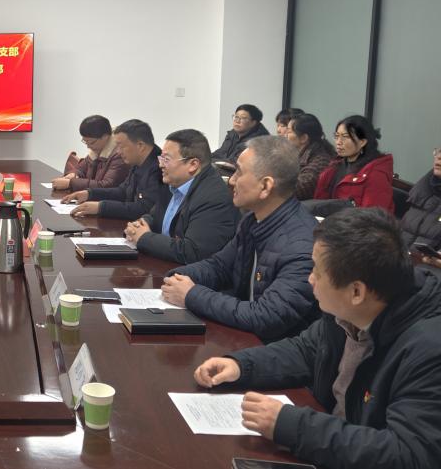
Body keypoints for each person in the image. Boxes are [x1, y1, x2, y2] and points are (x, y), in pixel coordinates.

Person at [193, 208, 441, 469]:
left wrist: (292, 426)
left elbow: (409, 454)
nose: (310, 278)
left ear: (356, 292)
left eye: (318, 272)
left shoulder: (429, 349)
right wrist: (242, 365)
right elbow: (307, 350)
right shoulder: (349, 310)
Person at [161, 136, 318, 342]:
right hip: (243, 336)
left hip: (275, 348)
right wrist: (178, 277)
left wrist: (192, 295)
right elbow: (220, 266)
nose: (232, 180)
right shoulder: (252, 220)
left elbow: (267, 316)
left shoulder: (301, 245)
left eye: (239, 172)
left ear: (265, 186)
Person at [124, 129, 239, 264]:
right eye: (161, 158)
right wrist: (140, 225)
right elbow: (155, 216)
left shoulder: (213, 198)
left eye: (166, 159)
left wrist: (144, 238)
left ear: (193, 165)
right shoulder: (173, 182)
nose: (160, 165)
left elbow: (192, 252)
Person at [64, 119, 166, 221]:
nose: (118, 151)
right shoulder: (137, 161)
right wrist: (90, 194)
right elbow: (123, 191)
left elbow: (144, 209)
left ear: (140, 145)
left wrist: (101, 207)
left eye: (121, 146)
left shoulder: (159, 169)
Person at [312, 115, 394, 213]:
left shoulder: (376, 174)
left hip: (355, 222)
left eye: (345, 137)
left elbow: (373, 217)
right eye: (337, 136)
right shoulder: (335, 165)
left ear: (362, 142)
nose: (338, 142)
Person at [51, 115, 129, 191]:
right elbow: (80, 169)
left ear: (105, 137)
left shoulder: (119, 155)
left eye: (91, 142)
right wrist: (73, 175)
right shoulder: (95, 151)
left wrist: (70, 184)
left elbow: (107, 185)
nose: (88, 146)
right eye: (85, 142)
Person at [285, 113, 336, 201]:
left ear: (303, 138)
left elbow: (298, 189)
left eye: (289, 132)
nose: (285, 135)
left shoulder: (320, 161)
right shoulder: (296, 154)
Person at [402, 146, 441, 257]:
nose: (439, 157)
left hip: (428, 266)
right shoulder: (422, 191)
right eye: (439, 152)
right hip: (396, 258)